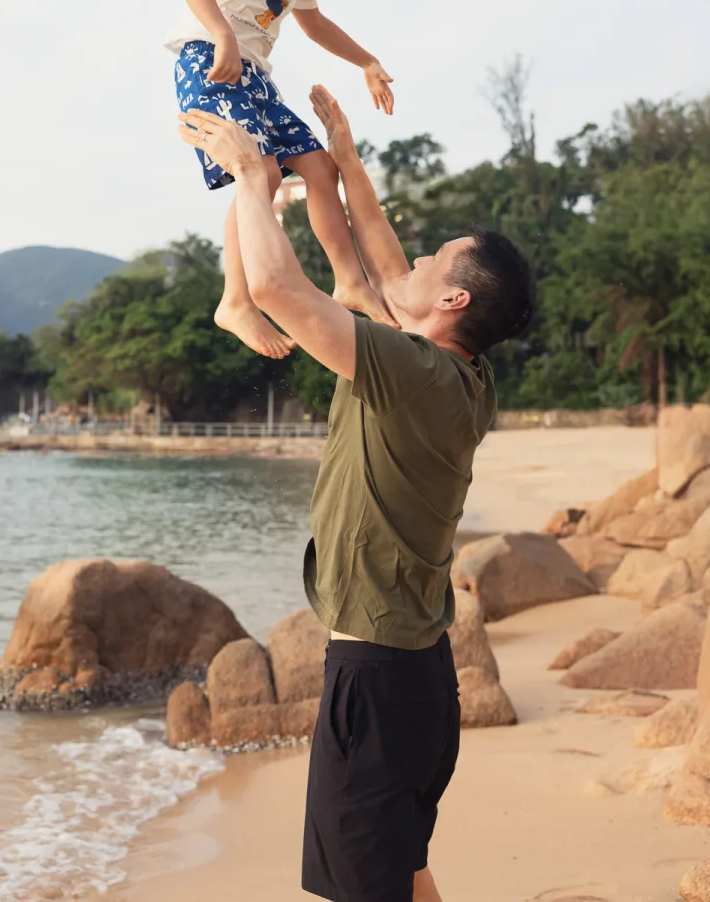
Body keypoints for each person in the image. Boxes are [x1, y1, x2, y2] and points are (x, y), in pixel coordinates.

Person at [177, 88, 535, 902]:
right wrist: (343, 154)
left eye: (431, 262)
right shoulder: (459, 372)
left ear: (452, 302)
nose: (408, 265)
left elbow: (273, 285)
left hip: (375, 680)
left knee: (366, 891)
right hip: (417, 678)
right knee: (403, 876)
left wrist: (246, 176)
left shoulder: (411, 370)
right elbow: (374, 254)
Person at [166, 0, 397, 359]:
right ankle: (235, 300)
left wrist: (366, 61)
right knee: (261, 174)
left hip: (256, 76)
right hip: (209, 58)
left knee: (319, 168)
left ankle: (350, 281)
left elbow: (312, 22)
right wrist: (222, 35)